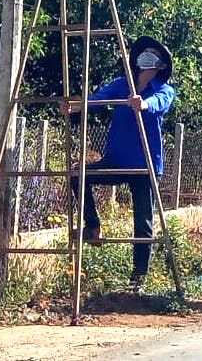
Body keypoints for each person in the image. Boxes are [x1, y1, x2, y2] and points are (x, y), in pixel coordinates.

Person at [64, 36, 174, 294]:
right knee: (78, 176)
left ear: (160, 65)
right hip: (117, 159)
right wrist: (75, 107)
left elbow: (159, 104)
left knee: (143, 224)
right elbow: (97, 98)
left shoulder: (163, 89)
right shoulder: (121, 84)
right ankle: (92, 226)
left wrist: (143, 104)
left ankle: (137, 281)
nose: (145, 57)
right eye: (143, 53)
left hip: (145, 165)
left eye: (152, 55)